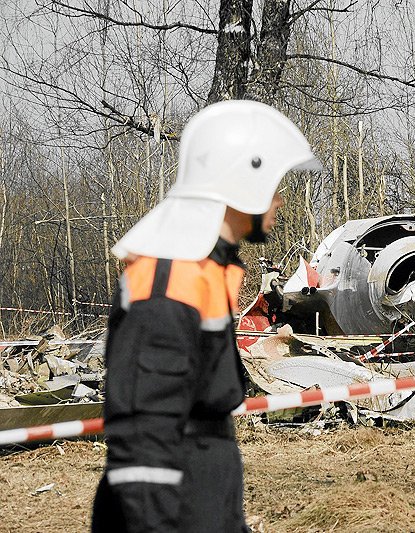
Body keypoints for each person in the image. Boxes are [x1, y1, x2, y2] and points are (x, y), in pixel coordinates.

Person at [92, 100, 321, 532]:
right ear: (243, 181)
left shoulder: (205, 269)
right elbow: (145, 439)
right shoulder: (171, 279)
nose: (279, 201)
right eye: (274, 186)